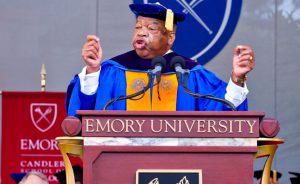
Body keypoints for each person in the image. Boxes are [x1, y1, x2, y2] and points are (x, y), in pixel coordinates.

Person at [66, 2, 255, 115]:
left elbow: (224, 113)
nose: (141, 33)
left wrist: (237, 79)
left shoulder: (191, 73)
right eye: (138, 27)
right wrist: (92, 71)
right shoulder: (112, 70)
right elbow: (83, 115)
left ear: (170, 37)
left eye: (151, 29)